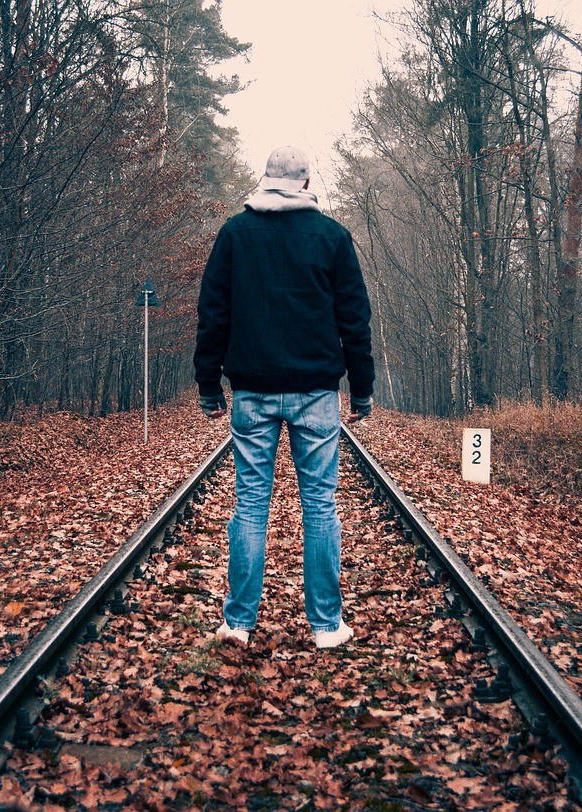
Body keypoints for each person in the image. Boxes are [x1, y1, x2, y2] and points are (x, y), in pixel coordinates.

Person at [194, 145, 374, 650]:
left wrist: (209, 385)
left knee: (250, 503)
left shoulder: (235, 235)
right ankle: (325, 626)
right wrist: (361, 389)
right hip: (316, 393)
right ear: (306, 180)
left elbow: (214, 315)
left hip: (252, 391)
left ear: (266, 179)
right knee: (319, 504)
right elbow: (354, 322)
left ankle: (237, 624)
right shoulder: (332, 238)